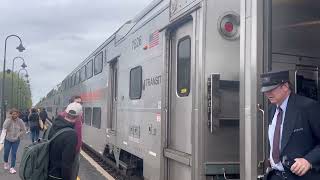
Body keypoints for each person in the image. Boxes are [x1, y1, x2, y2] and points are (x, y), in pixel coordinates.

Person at [260, 70, 320, 180]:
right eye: (265, 90)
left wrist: (309, 161)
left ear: (285, 86)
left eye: (272, 89)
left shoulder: (308, 107)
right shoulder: (270, 110)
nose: (268, 93)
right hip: (275, 175)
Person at [48, 102, 81, 180]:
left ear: (65, 113)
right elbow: (66, 163)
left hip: (48, 171)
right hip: (58, 175)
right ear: (78, 116)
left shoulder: (54, 125)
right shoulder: (71, 135)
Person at [60, 95, 83, 180]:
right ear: (71, 104)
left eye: (81, 103)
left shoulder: (78, 116)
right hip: (71, 151)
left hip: (73, 150)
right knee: (71, 174)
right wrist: (75, 150)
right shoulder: (69, 117)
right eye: (77, 102)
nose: (80, 105)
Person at [0, 108, 26, 174]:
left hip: (16, 140)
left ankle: (12, 167)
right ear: (11, 114)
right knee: (6, 152)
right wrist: (9, 119)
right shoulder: (8, 120)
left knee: (13, 153)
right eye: (13, 114)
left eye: (16, 114)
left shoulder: (20, 121)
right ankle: (6, 162)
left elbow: (24, 130)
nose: (14, 115)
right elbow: (4, 126)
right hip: (8, 139)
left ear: (18, 114)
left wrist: (18, 135)